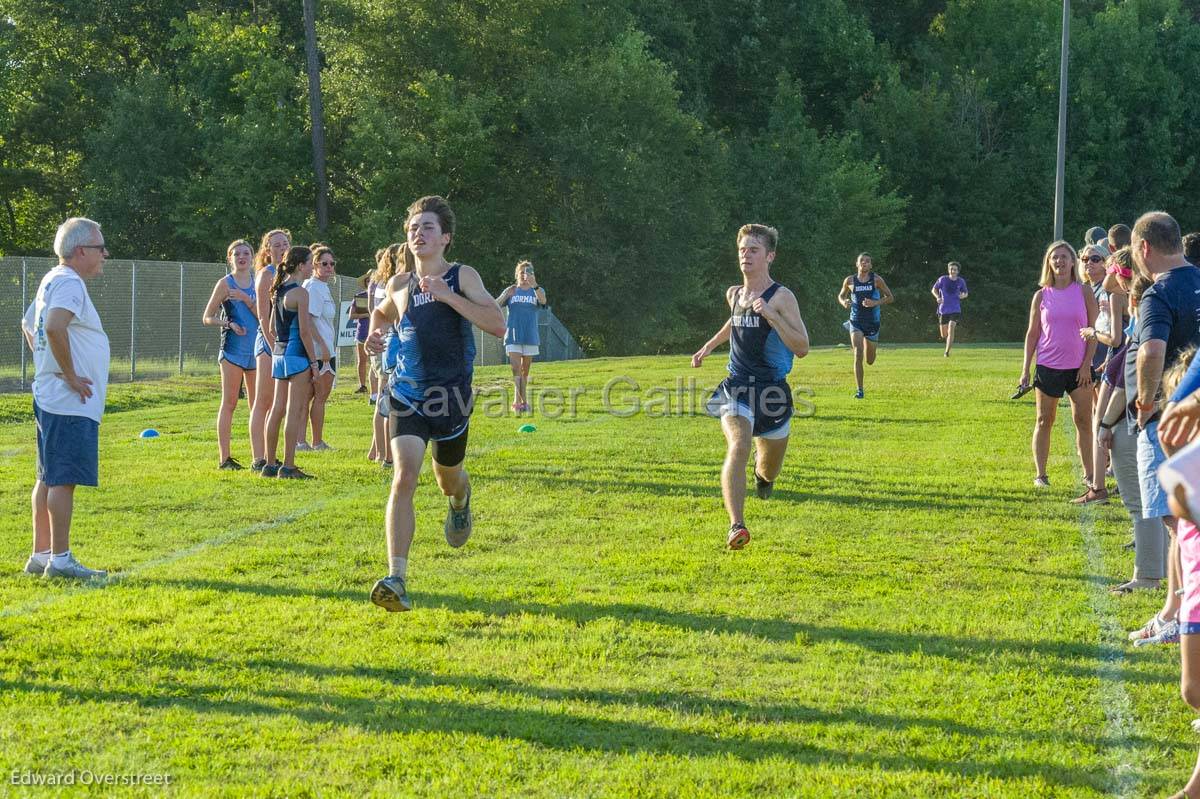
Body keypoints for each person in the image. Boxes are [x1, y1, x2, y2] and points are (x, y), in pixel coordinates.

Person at [365, 195, 506, 612]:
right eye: (412, 227)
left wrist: (447, 296)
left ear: (445, 237)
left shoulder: (462, 276)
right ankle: (397, 578)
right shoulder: (399, 284)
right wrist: (375, 336)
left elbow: (497, 325)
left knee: (448, 479)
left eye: (427, 227)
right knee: (404, 476)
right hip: (407, 396)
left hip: (451, 399)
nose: (417, 233)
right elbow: (381, 315)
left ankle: (460, 502)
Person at [692, 224, 810, 549]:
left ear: (769, 256)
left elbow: (801, 347)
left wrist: (772, 315)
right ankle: (736, 526)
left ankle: (762, 479)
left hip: (772, 393)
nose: (746, 254)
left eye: (754, 249)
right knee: (739, 444)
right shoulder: (734, 293)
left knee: (769, 468)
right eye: (743, 249)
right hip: (737, 386)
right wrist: (708, 346)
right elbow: (735, 320)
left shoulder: (782, 297)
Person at [18, 217, 110, 580]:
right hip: (68, 399)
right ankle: (60, 559)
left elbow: (29, 325)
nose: (105, 253)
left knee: (48, 476)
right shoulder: (69, 281)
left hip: (51, 394)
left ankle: (41, 554)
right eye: (100, 247)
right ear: (81, 250)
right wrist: (70, 374)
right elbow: (54, 326)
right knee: (63, 479)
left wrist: (49, 365)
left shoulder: (51, 279)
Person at [1126, 212, 1200, 647]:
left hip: (1172, 421)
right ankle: (1174, 610)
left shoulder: (1159, 292)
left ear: (1144, 248)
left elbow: (1152, 350)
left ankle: (1179, 614)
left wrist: (1146, 402)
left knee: (1179, 523)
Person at [1098, 269, 1167, 592]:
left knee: (1143, 504)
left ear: (1134, 300)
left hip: (1134, 423)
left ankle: (1148, 575)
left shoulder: (1143, 330)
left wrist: (1105, 423)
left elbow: (1129, 388)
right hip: (1156, 422)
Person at [1018, 240, 1098, 489]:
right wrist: (1025, 370)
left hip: (1079, 369)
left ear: (1073, 261)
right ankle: (1041, 475)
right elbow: (1032, 334)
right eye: (1055, 257)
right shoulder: (1041, 295)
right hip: (1048, 366)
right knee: (1044, 420)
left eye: (1064, 257)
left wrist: (1086, 365)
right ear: (1049, 263)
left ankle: (1089, 474)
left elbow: (1094, 331)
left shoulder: (1084, 291)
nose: (1060, 262)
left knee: (1084, 421)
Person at [262, 246, 320, 479]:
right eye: (310, 263)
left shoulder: (276, 290)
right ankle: (288, 465)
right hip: (297, 356)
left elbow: (271, 328)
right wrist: (314, 364)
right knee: (294, 411)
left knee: (277, 409)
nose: (312, 268)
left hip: (278, 354)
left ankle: (268, 463)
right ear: (300, 265)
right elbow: (305, 332)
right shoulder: (300, 293)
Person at [201, 239, 260, 469]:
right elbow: (207, 317)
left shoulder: (259, 283)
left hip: (256, 351)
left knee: (257, 405)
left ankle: (260, 457)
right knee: (230, 402)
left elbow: (265, 317)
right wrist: (227, 324)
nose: (242, 257)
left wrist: (248, 299)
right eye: (237, 254)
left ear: (252, 257)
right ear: (230, 258)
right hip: (233, 351)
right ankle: (225, 458)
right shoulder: (225, 283)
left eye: (246, 253)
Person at [249, 229, 291, 471]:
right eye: (276, 245)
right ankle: (258, 457)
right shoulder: (266, 274)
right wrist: (272, 343)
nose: (282, 248)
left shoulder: (291, 274)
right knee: (263, 400)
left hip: (287, 342)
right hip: (269, 343)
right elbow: (263, 317)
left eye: (285, 244)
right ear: (267, 250)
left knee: (280, 402)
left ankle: (272, 454)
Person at [297, 245, 338, 451]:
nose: (329, 267)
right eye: (324, 263)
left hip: (325, 349)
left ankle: (306, 441)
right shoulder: (313, 287)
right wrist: (322, 346)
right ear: (314, 265)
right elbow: (308, 320)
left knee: (313, 397)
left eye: (332, 263)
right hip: (320, 352)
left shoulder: (321, 286)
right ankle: (311, 441)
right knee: (317, 396)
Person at [838, 253, 893, 399]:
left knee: (869, 360)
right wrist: (844, 302)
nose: (864, 263)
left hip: (872, 323)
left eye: (867, 261)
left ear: (871, 265)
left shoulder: (876, 280)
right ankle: (860, 391)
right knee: (857, 353)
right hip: (855, 321)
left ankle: (871, 347)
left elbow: (890, 297)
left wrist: (874, 303)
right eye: (861, 261)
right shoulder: (850, 280)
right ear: (857, 263)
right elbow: (841, 295)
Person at [496, 260, 547, 412]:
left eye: (528, 273)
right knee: (515, 368)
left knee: (525, 371)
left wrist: (535, 285)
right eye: (522, 272)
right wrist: (505, 294)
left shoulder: (537, 290)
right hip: (512, 335)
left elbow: (543, 301)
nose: (525, 276)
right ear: (517, 274)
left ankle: (517, 402)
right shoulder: (512, 290)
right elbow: (494, 305)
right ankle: (524, 402)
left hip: (530, 335)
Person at [930, 261, 968, 357]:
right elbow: (933, 289)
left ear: (958, 271)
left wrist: (963, 296)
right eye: (951, 269)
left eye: (955, 269)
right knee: (943, 334)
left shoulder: (961, 281)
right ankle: (948, 341)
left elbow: (965, 293)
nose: (952, 271)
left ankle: (946, 352)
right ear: (948, 270)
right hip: (943, 310)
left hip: (955, 309)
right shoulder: (942, 279)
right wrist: (937, 297)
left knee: (951, 327)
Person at [350, 268, 374, 393]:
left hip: (376, 332)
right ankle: (363, 385)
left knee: (376, 361)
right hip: (362, 333)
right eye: (368, 280)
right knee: (362, 360)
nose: (370, 282)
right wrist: (366, 315)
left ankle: (377, 386)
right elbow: (351, 315)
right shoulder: (359, 297)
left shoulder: (381, 295)